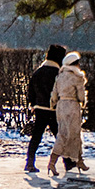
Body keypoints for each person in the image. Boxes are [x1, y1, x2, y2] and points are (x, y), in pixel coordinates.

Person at [23, 43, 73, 173]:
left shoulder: (38, 72)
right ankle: (68, 163)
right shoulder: (59, 74)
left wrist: (33, 104)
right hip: (54, 110)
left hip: (40, 109)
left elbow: (31, 91)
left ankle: (30, 162)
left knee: (36, 136)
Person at [47, 50, 90, 176]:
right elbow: (81, 95)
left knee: (63, 134)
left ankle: (55, 162)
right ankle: (76, 160)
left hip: (61, 106)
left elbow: (54, 94)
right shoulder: (77, 77)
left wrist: (53, 103)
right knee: (73, 134)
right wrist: (83, 102)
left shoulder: (60, 76)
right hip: (72, 106)